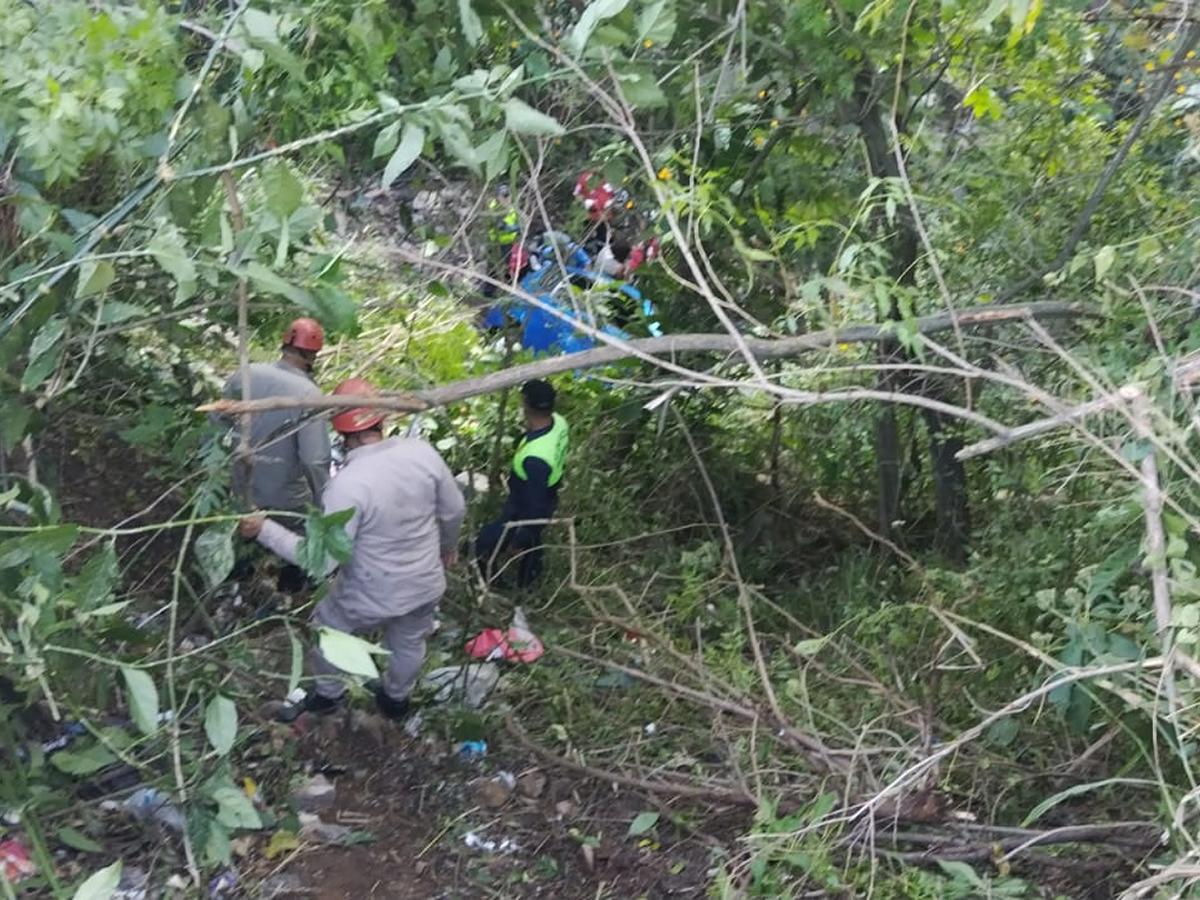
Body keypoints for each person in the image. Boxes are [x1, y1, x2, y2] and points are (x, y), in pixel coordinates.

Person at [240, 378, 466, 721]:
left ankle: (330, 695)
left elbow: (321, 561)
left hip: (372, 592)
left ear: (339, 431)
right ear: (382, 419)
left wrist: (264, 530)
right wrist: (447, 547)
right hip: (425, 583)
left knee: (329, 626)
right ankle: (396, 701)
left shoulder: (346, 485)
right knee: (408, 641)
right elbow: (454, 510)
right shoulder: (422, 453)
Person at [219, 317, 331, 593]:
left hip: (242, 483)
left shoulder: (247, 373)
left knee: (243, 531)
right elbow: (313, 459)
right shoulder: (308, 393)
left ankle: (234, 582)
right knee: (300, 537)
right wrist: (322, 501)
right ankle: (289, 592)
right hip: (283, 496)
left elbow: (218, 419)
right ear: (313, 355)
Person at [475, 380, 568, 587]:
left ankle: (500, 582)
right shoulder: (559, 422)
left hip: (526, 499)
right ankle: (529, 578)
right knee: (534, 540)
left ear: (526, 404)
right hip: (548, 491)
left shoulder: (535, 458)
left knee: (486, 541)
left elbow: (535, 506)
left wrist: (520, 539)